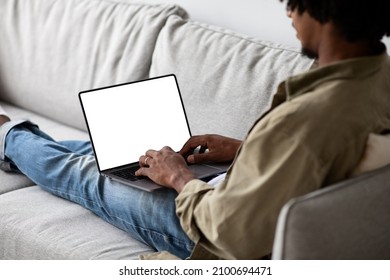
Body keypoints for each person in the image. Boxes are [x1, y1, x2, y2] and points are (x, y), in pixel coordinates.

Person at [1, 0, 390, 259]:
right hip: (238, 190)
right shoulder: (377, 78)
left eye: (294, 1)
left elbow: (232, 234)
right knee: (102, 152)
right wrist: (246, 149)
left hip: (205, 234)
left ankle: (7, 135)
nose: (287, 10)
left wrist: (180, 177)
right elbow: (323, 155)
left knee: (87, 174)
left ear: (324, 7)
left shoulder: (304, 119)